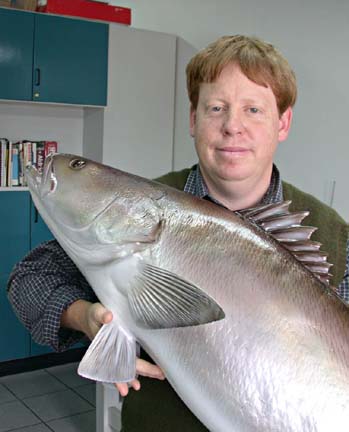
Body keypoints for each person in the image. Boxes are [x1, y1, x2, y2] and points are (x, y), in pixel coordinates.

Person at [8, 35, 349, 431]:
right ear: (193, 119)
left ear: (283, 122)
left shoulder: (333, 234)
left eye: (253, 109)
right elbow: (28, 281)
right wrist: (85, 317)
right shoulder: (143, 208)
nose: (232, 127)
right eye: (216, 108)